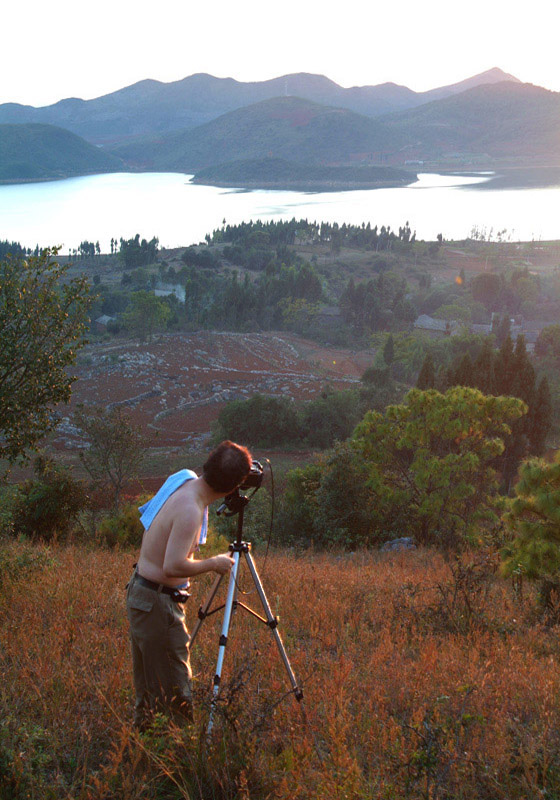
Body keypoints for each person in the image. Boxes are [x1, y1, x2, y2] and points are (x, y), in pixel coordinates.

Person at [126, 440, 252, 729]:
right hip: (157, 604)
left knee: (148, 690)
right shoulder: (191, 511)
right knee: (174, 694)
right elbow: (172, 565)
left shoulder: (183, 479)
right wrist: (213, 564)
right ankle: (175, 758)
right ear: (233, 487)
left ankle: (145, 755)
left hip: (142, 594)